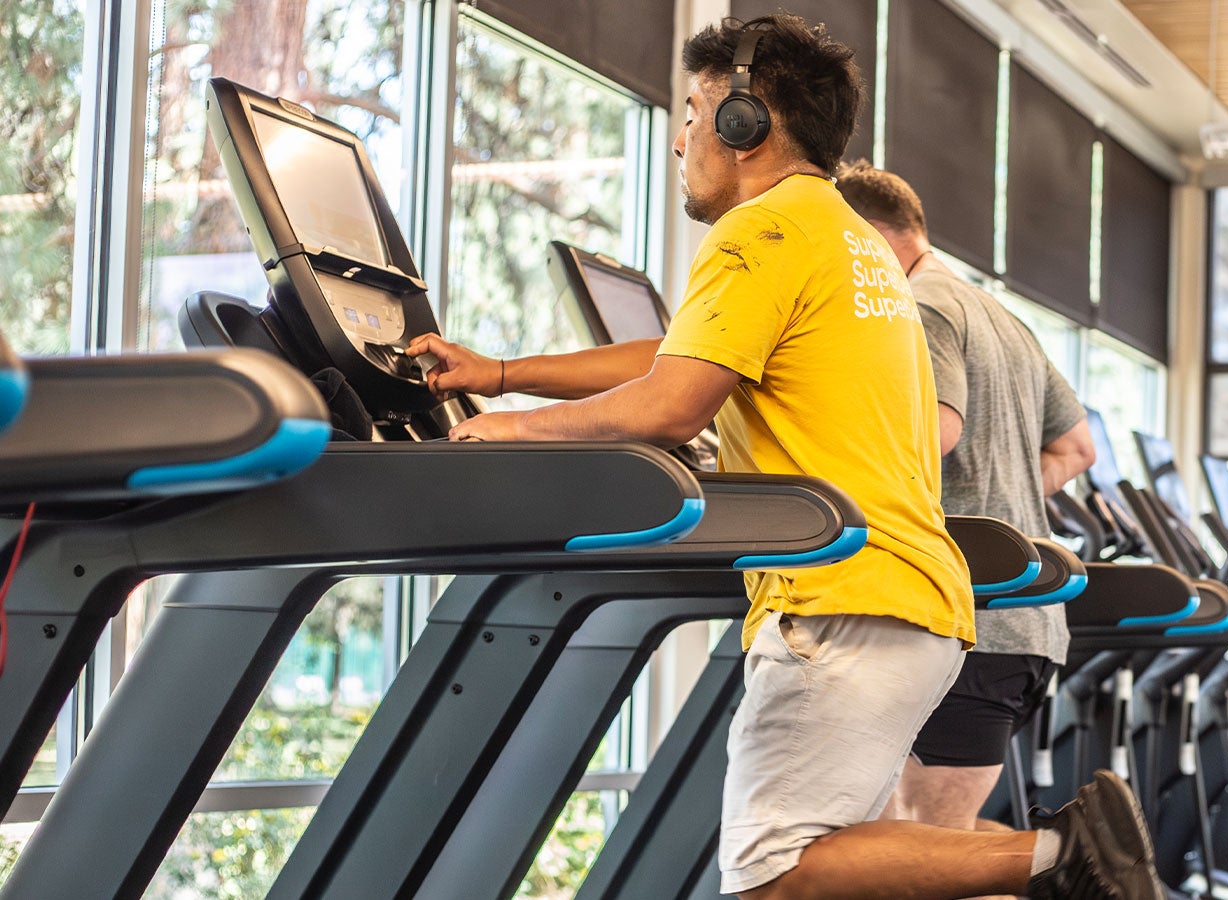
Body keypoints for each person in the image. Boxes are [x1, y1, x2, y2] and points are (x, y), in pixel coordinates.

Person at [406, 14, 1161, 900]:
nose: (682, 136)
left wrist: (504, 428)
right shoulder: (843, 238)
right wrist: (500, 373)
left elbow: (672, 401)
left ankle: (1059, 855)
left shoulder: (759, 232)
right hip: (912, 600)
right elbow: (674, 356)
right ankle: (1059, 854)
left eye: (694, 111)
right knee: (845, 869)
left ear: (744, 123)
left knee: (776, 873)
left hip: (841, 601)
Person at [835, 162, 1096, 858]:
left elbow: (937, 431)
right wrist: (1000, 496)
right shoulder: (998, 315)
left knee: (926, 856)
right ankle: (1067, 865)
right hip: (1025, 629)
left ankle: (1076, 866)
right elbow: (1075, 447)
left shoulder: (917, 306)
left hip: (968, 624)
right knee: (927, 846)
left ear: (865, 239)